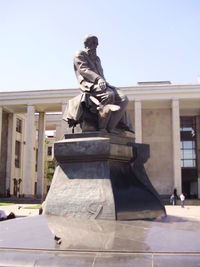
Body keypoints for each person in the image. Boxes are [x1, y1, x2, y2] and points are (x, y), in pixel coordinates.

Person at [64, 35, 133, 133]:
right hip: (89, 85)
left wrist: (104, 82)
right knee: (109, 95)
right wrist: (99, 80)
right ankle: (102, 127)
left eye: (96, 43)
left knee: (124, 99)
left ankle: (111, 127)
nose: (96, 46)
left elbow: (101, 73)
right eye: (93, 43)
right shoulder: (79, 54)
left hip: (102, 84)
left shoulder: (97, 59)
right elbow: (84, 70)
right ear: (86, 44)